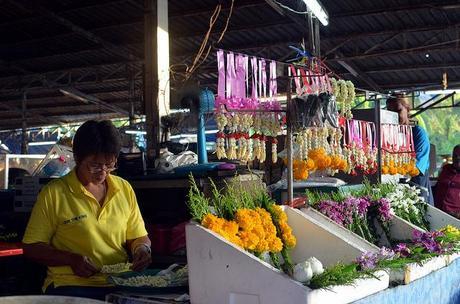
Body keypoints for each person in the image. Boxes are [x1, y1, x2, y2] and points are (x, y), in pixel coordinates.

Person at [22, 120, 152, 300]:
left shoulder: (124, 189)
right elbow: (31, 247)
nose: (103, 172)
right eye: (95, 165)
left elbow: (137, 235)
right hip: (71, 286)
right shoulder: (53, 193)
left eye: (110, 165)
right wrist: (71, 259)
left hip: (120, 282)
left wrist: (142, 249)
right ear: (77, 158)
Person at [386, 95, 434, 205]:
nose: (394, 115)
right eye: (390, 111)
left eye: (398, 110)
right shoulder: (387, 135)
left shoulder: (417, 133)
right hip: (394, 190)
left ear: (407, 109)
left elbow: (417, 167)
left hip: (417, 188)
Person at [435, 145, 460, 217]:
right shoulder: (446, 169)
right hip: (438, 210)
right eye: (455, 155)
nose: (457, 157)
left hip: (456, 215)